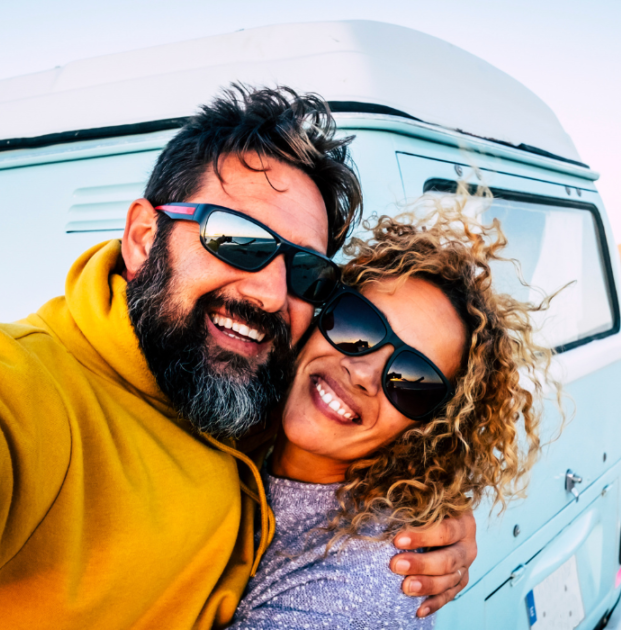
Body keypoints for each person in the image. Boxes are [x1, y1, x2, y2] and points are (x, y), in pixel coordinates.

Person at [0, 86, 475, 630]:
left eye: (302, 270)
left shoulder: (248, 389)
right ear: (142, 238)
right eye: (236, 239)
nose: (268, 293)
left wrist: (443, 508)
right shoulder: (11, 398)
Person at [227, 197, 551, 628]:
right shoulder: (230, 414)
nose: (363, 373)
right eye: (357, 326)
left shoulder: (364, 581)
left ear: (428, 429)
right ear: (322, 316)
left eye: (411, 379)